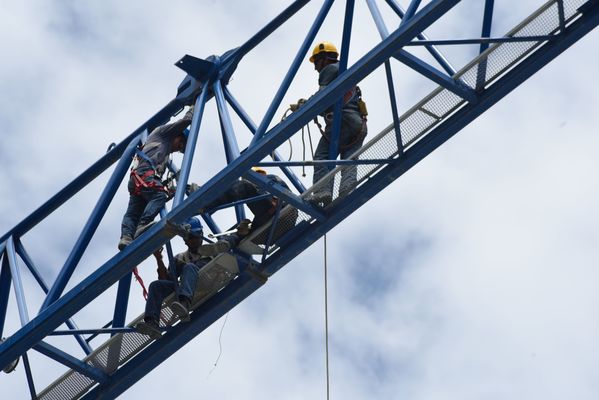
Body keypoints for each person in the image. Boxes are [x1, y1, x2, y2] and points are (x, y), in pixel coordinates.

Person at [297, 41, 368, 206]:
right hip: (358, 124)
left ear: (324, 58)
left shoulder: (330, 69)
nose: (315, 67)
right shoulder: (344, 73)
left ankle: (323, 192)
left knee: (321, 156)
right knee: (349, 159)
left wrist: (305, 106)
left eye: (316, 62)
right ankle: (347, 187)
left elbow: (323, 97)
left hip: (342, 121)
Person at [118, 106, 194, 250]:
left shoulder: (163, 154)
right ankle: (143, 225)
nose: (178, 149)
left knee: (134, 211)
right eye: (181, 144)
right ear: (178, 135)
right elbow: (187, 120)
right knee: (159, 195)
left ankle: (126, 237)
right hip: (143, 174)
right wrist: (194, 106)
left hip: (137, 179)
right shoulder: (163, 133)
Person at [135, 217, 210, 340]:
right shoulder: (181, 258)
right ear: (185, 240)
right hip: (186, 290)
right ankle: (152, 322)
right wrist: (159, 259)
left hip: (206, 283)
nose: (194, 240)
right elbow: (166, 280)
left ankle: (184, 304)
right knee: (156, 285)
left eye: (196, 236)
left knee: (190, 267)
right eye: (191, 237)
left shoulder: (212, 250)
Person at [197, 167, 298, 256]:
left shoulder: (270, 179)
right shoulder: (265, 191)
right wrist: (246, 229)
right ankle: (227, 243)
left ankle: (206, 203)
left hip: (282, 213)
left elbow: (269, 196)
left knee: (243, 186)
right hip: (273, 229)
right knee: (240, 230)